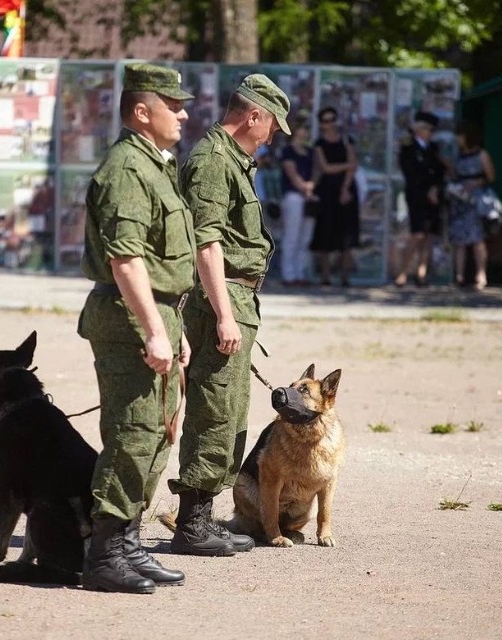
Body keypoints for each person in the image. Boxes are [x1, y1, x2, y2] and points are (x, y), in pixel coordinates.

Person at [76, 63, 195, 594]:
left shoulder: (156, 165)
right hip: (129, 319)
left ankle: (128, 543)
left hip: (156, 313)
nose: (185, 113)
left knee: (156, 435)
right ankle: (104, 555)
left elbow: (160, 258)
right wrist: (153, 329)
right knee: (131, 434)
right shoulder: (127, 168)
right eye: (175, 105)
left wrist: (174, 325)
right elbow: (125, 259)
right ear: (143, 112)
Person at [167, 74, 289, 558]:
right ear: (253, 115)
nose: (273, 136)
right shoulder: (214, 161)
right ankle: (192, 524)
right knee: (214, 410)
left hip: (236, 298)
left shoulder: (233, 159)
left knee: (229, 409)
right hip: (220, 298)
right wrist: (222, 314)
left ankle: (202, 516)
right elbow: (206, 241)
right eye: (273, 126)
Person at [395, 110, 445, 287]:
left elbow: (439, 171)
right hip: (416, 194)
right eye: (427, 129)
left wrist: (435, 188)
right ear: (418, 129)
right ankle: (402, 272)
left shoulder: (433, 148)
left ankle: (421, 272)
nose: (430, 133)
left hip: (433, 196)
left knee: (429, 235)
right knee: (417, 234)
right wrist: (426, 188)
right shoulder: (408, 147)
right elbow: (410, 171)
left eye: (432, 130)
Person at [311, 107, 359, 287]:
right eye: (325, 120)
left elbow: (353, 166)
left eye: (332, 119)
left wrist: (346, 188)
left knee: (347, 235)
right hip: (327, 191)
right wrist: (347, 165)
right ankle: (325, 275)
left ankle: (345, 276)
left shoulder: (347, 140)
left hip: (346, 189)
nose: (329, 124)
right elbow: (326, 168)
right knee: (325, 233)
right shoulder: (319, 143)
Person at [448, 121, 495, 290]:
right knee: (459, 240)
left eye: (460, 136)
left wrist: (475, 183)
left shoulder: (481, 155)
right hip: (460, 198)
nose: (458, 139)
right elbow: (453, 174)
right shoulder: (457, 156)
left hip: (476, 199)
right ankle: (459, 275)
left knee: (477, 238)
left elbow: (490, 176)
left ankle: (481, 274)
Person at [278, 115, 317, 286]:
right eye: (302, 128)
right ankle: (289, 274)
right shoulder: (288, 151)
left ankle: (300, 272)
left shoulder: (310, 152)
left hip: (308, 197)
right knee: (292, 236)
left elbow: (316, 171)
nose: (305, 132)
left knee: (305, 237)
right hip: (294, 196)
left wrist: (311, 186)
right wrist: (304, 187)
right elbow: (291, 172)